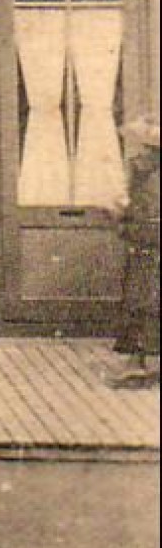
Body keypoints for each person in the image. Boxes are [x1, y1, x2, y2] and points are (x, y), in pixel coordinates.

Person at [112, 115, 160, 387]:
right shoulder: (141, 170)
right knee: (144, 300)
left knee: (141, 300)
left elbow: (125, 205)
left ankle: (136, 362)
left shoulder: (139, 169)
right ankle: (136, 361)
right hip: (148, 239)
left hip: (145, 240)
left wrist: (125, 220)